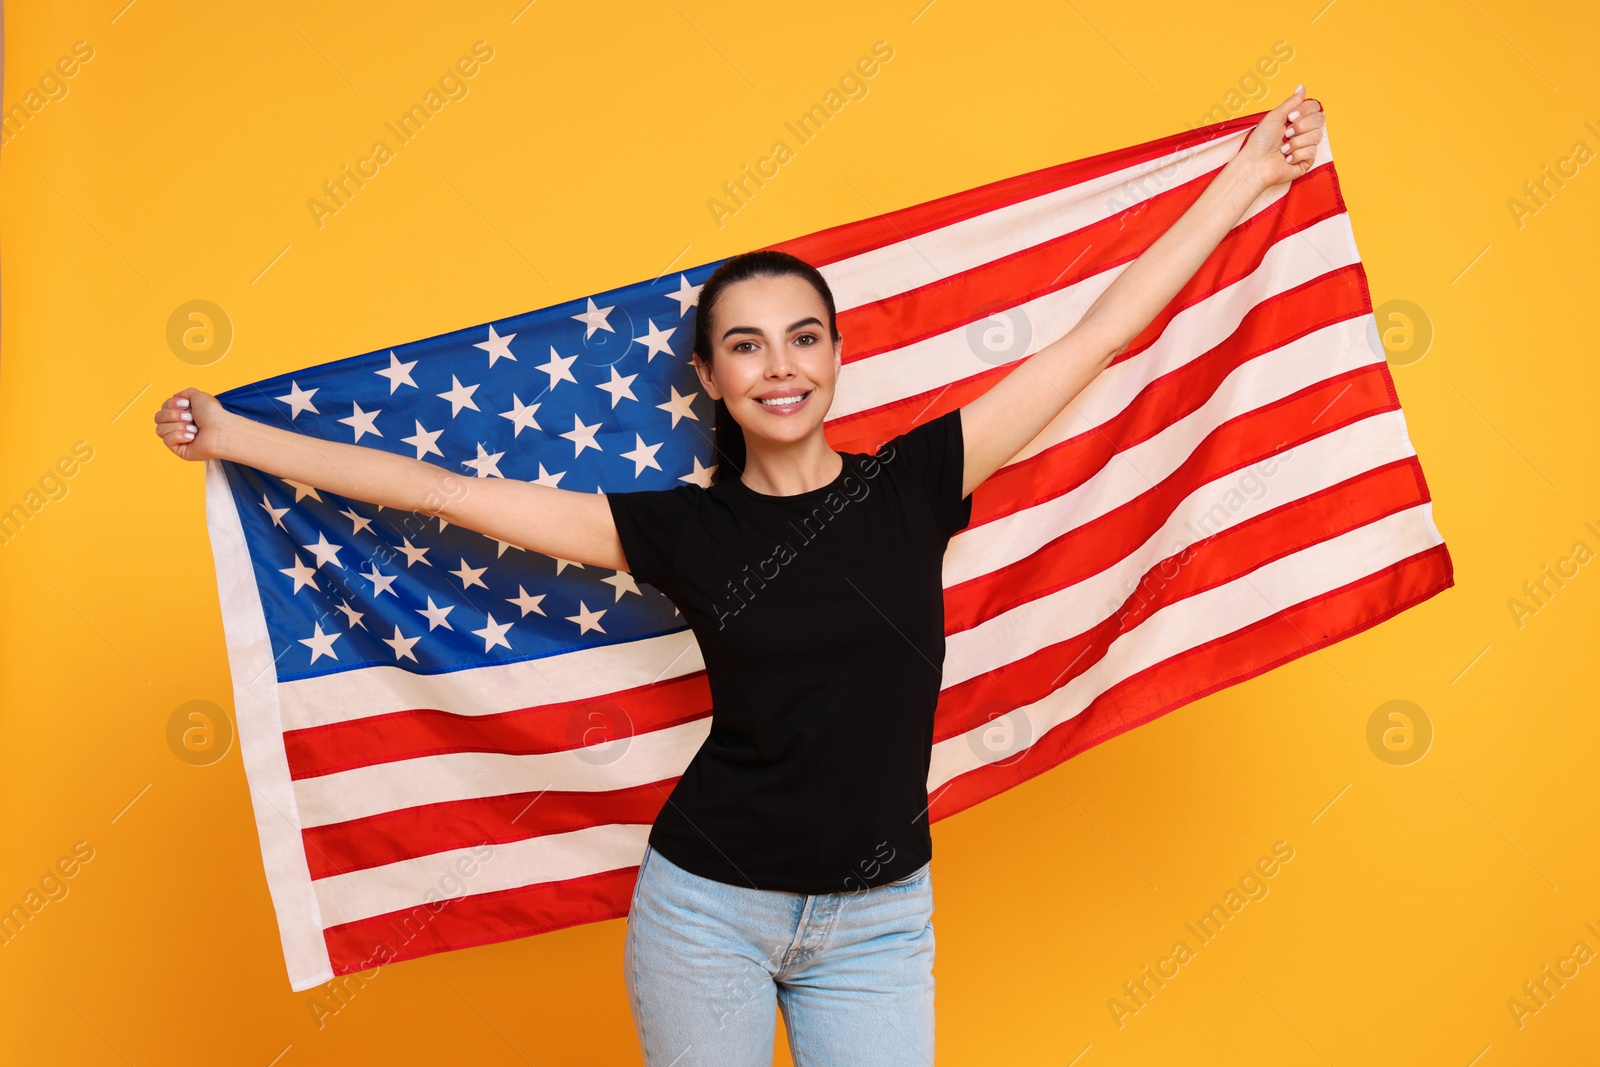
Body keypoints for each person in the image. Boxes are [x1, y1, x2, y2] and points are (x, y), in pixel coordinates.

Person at [154, 89, 1323, 1066]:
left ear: (835, 357)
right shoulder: (681, 530)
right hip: (704, 909)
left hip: (878, 924)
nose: (780, 365)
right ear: (710, 378)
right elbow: (441, 494)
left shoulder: (916, 481)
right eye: (747, 345)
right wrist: (232, 435)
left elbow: (1094, 338)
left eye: (803, 336)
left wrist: (1246, 179)